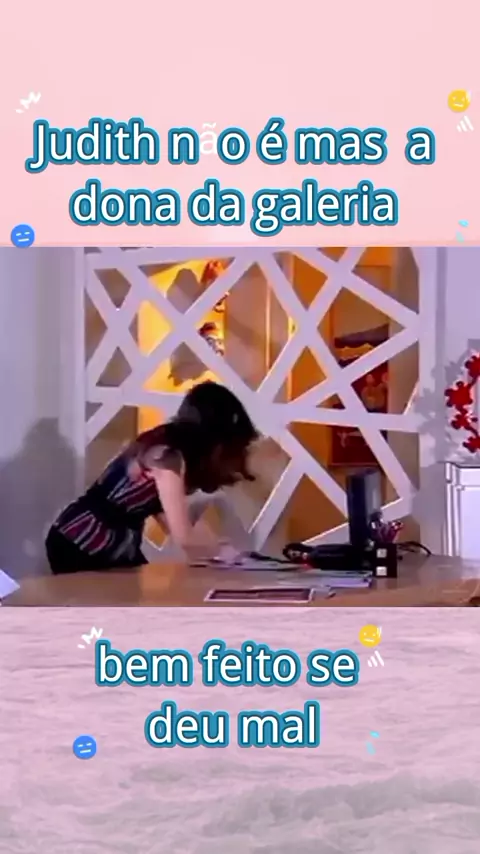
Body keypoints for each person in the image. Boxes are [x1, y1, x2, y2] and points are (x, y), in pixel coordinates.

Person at [45, 381, 258, 574]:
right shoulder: (168, 459)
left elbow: (176, 521)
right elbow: (184, 538)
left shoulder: (165, 449)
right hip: (84, 539)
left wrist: (219, 548)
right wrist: (222, 552)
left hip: (103, 541)